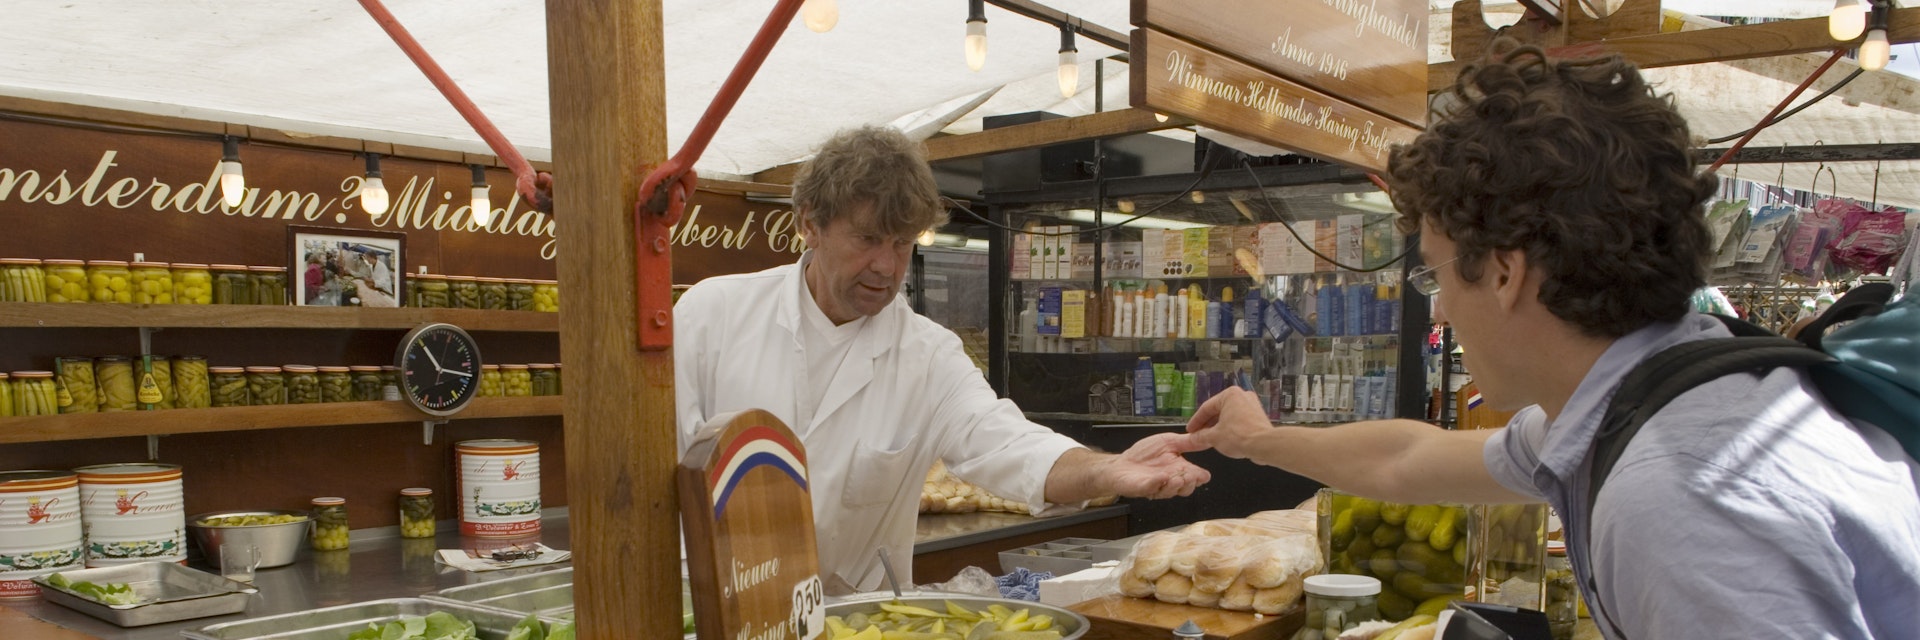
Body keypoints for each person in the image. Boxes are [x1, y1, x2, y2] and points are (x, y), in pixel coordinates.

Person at [1184, 44, 1920, 638]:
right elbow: (1409, 460)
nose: (1439, 308)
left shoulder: (1673, 493)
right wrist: (1260, 441)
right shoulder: (1655, 397)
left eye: (1438, 274)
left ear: (1504, 272)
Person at [675, 125, 1210, 595]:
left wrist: (1109, 469)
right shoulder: (712, 316)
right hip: (712, 615)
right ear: (809, 224)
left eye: (902, 243)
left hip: (856, 625)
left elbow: (1008, 444)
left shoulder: (926, 355)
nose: (886, 266)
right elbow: (654, 476)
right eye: (867, 239)